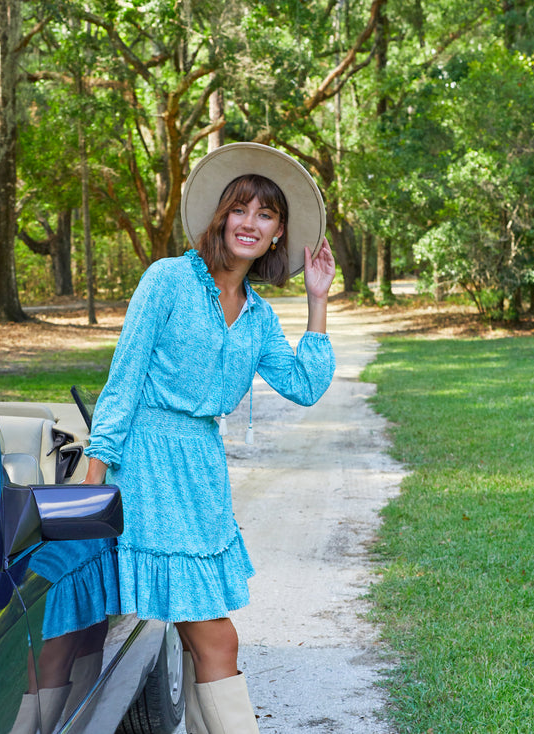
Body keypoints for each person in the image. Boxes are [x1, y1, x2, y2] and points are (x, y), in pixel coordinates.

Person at [83, 142, 336, 734]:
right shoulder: (168, 280)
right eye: (241, 209)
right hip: (143, 464)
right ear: (221, 216)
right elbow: (122, 383)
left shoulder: (258, 315)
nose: (251, 223)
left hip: (200, 472)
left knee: (206, 645)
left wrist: (317, 303)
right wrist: (92, 496)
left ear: (278, 234)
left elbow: (302, 385)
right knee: (215, 639)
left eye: (266, 215)